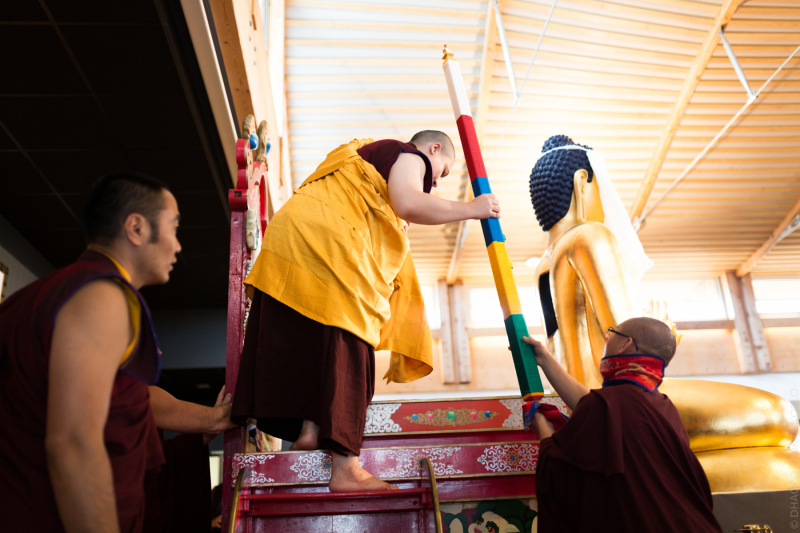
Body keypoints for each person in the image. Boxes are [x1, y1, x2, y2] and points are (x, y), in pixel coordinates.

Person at [232, 132, 501, 492]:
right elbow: (408, 203)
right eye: (443, 171)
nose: (435, 181)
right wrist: (473, 208)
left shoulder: (367, 161)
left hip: (293, 242)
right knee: (351, 340)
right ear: (432, 149)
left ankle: (310, 432)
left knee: (321, 335)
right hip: (327, 243)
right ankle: (346, 469)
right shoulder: (409, 155)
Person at [1, 171, 188, 533]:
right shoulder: (103, 296)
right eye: (174, 228)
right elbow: (73, 443)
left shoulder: (39, 294)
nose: (178, 246)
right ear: (136, 228)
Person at [523, 317, 723, 533]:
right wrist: (544, 359)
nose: (607, 340)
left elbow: (562, 471)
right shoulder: (663, 405)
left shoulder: (615, 401)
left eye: (611, 334)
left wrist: (543, 430)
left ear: (626, 343)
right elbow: (596, 407)